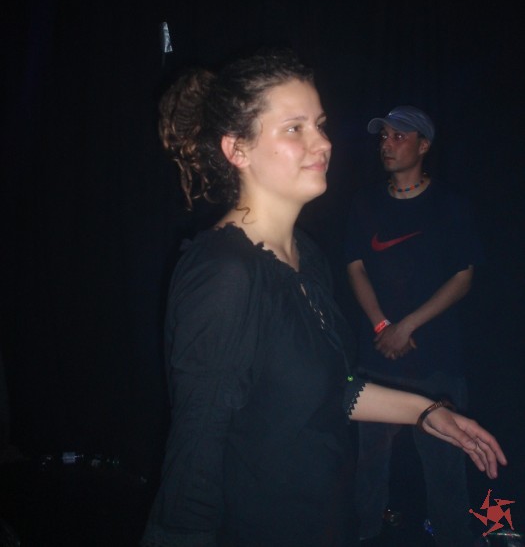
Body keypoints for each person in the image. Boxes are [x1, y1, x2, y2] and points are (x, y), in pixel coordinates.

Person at [141, 57, 505, 547]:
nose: (324, 143)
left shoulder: (306, 256)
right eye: (295, 128)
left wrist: (425, 411)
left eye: (320, 124)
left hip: (324, 521)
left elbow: (330, 390)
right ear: (237, 149)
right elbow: (195, 457)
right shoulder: (224, 274)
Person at [346, 105, 482, 546]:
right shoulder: (365, 202)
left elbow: (463, 277)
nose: (387, 144)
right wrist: (382, 326)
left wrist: (406, 327)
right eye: (383, 136)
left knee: (445, 474)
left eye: (398, 136)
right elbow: (355, 266)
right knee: (368, 471)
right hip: (377, 361)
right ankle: (364, 538)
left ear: (423, 145)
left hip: (436, 362)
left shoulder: (450, 204)